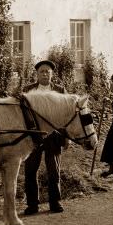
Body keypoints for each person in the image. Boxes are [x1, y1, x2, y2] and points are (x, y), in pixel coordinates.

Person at [21, 60, 67, 215]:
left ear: (52, 74)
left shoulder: (60, 90)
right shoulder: (28, 90)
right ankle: (32, 205)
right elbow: (23, 114)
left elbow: (67, 114)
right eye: (42, 71)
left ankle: (55, 202)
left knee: (53, 171)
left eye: (48, 71)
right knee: (30, 170)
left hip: (54, 137)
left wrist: (65, 138)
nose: (45, 74)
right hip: (34, 137)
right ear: (37, 74)